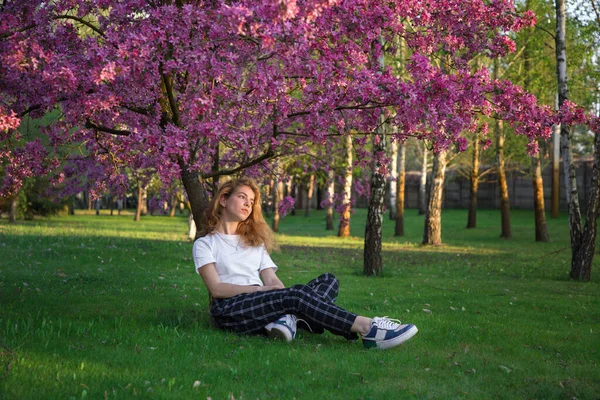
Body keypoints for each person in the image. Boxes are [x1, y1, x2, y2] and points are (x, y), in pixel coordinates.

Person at [192, 178, 418, 349]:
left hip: (259, 301)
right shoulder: (205, 244)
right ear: (223, 199)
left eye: (251, 202)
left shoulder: (253, 242)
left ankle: (287, 319)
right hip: (230, 310)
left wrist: (278, 294)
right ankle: (367, 329)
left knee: (328, 281)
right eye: (242, 197)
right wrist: (265, 291)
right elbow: (217, 289)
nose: (247, 204)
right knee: (297, 296)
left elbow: (271, 279)